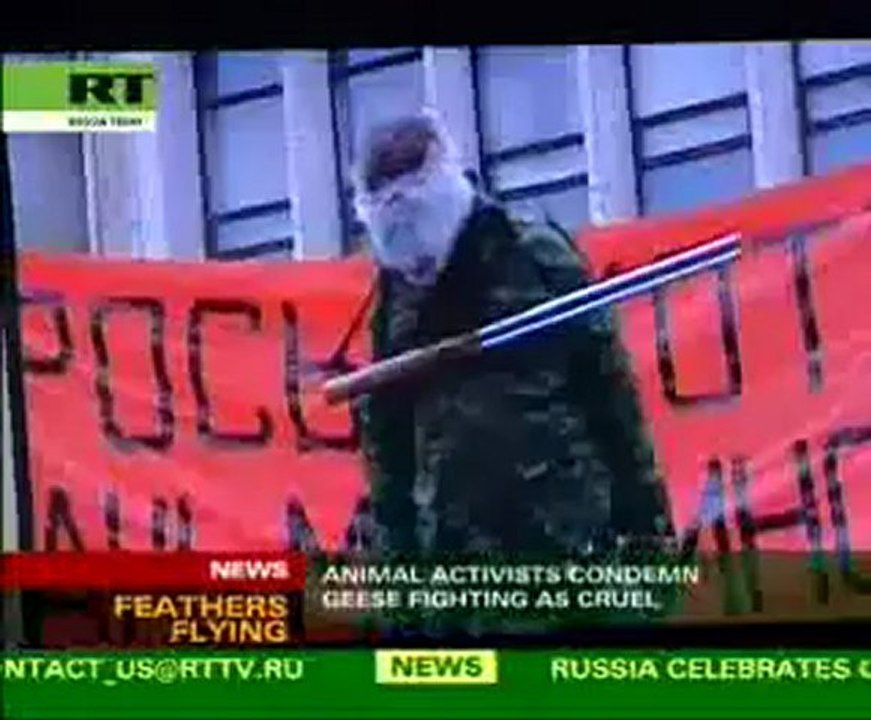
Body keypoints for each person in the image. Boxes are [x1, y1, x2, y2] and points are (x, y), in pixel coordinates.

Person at [352, 112, 673, 561]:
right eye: (392, 235)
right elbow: (390, 449)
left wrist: (650, 540)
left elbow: (612, 403)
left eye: (416, 222)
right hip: (454, 568)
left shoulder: (533, 257)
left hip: (565, 549)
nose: (412, 255)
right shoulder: (395, 301)